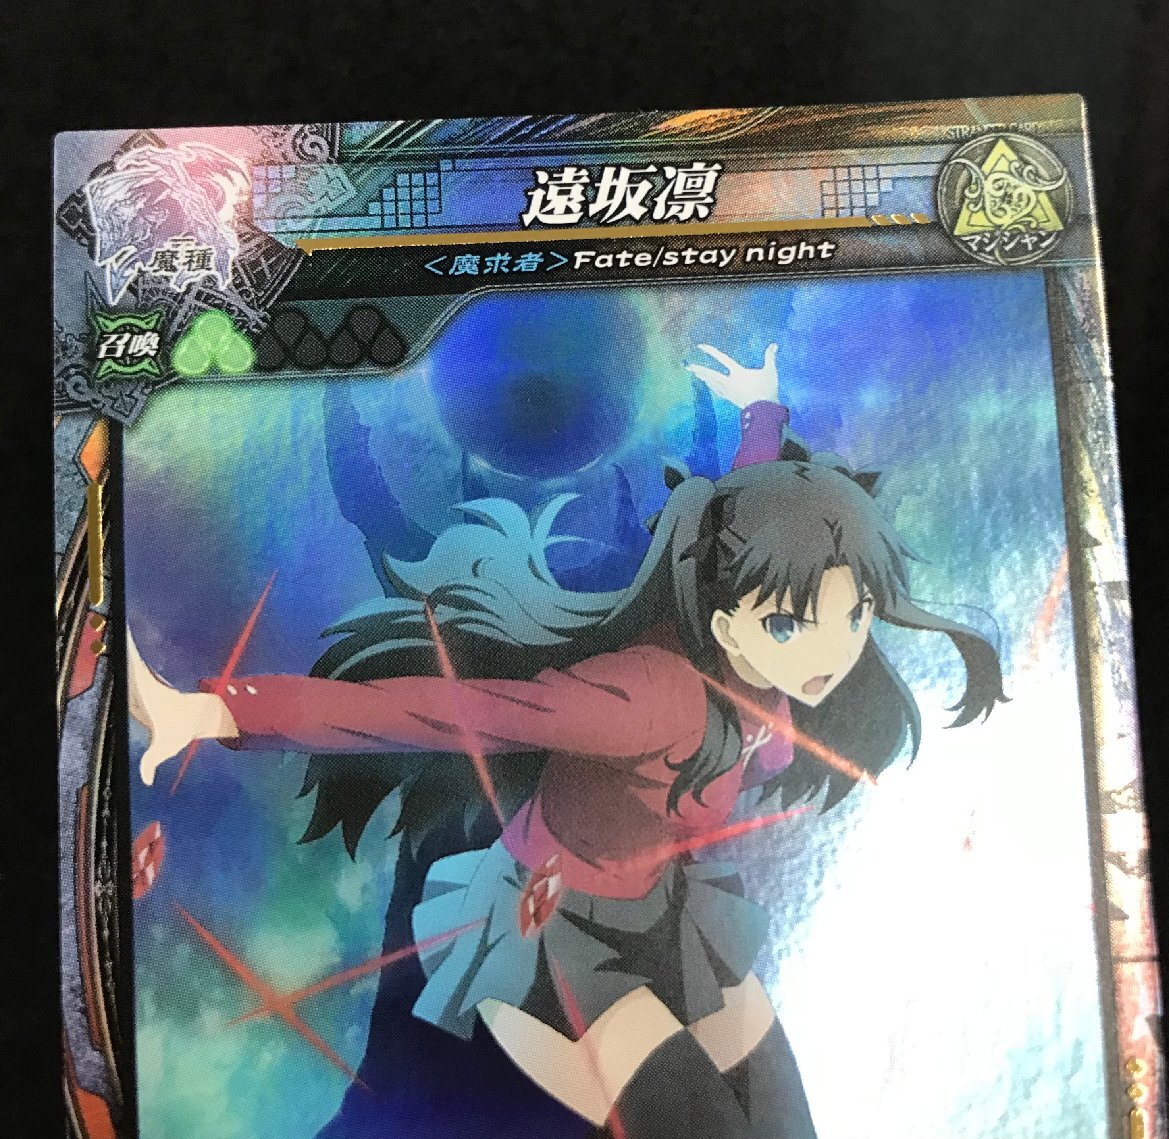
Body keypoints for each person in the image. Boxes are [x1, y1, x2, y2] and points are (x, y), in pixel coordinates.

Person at [129, 344, 1006, 1138]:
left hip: (672, 911)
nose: (830, 653)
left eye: (852, 616)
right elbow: (446, 711)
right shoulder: (645, 699)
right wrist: (219, 712)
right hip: (563, 933)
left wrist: (761, 420)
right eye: (790, 624)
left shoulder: (759, 645)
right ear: (727, 616)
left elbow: (749, 535)